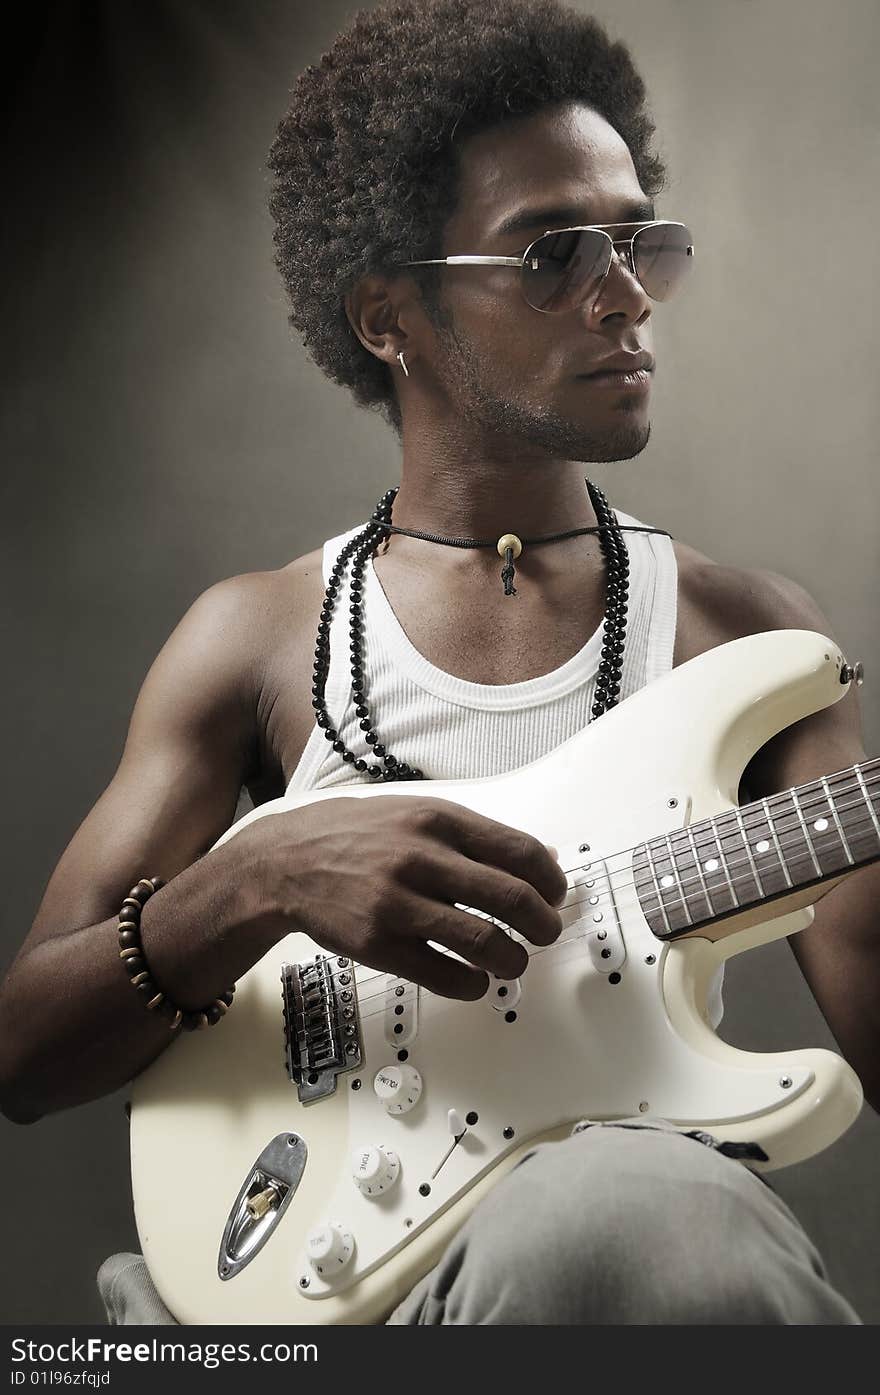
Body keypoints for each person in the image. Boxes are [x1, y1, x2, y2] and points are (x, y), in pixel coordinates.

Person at [0, 0, 874, 1325]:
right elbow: (21, 1051)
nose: (626, 288)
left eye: (641, 237)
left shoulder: (748, 636)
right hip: (311, 1269)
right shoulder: (258, 639)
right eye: (550, 251)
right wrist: (260, 878)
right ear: (386, 312)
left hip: (634, 1277)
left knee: (639, 1224)